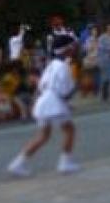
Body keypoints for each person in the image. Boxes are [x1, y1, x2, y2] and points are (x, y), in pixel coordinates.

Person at [7, 34, 81, 177]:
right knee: (69, 130)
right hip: (54, 103)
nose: (74, 49)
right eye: (72, 47)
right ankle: (65, 163)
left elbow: (41, 85)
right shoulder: (64, 67)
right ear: (67, 50)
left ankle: (18, 163)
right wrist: (69, 98)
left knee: (43, 135)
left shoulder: (51, 65)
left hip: (43, 102)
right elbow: (65, 91)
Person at [97, 23, 110, 102]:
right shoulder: (102, 37)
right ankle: (104, 96)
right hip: (104, 60)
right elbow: (101, 47)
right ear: (107, 27)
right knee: (105, 79)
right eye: (109, 26)